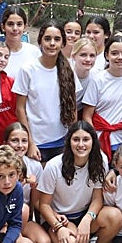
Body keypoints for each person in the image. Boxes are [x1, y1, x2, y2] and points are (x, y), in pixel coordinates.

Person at [35, 121, 110, 243]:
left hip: (84, 213)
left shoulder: (101, 160)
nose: (81, 144)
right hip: (60, 217)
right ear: (69, 141)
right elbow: (43, 204)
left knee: (114, 216)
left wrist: (87, 219)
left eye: (86, 139)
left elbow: (97, 198)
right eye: (76, 139)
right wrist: (59, 227)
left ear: (93, 141)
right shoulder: (54, 166)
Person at [13, 19, 78, 162]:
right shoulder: (28, 69)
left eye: (57, 39)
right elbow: (20, 109)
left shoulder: (68, 70)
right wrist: (29, 143)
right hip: (37, 143)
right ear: (40, 41)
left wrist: (73, 138)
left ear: (63, 43)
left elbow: (72, 108)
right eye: (47, 39)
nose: (52, 43)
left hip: (62, 140)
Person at [81, 34, 122, 156]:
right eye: (114, 53)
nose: (120, 57)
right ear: (107, 55)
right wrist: (94, 140)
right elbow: (87, 115)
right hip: (99, 139)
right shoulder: (98, 79)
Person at [0, 5, 39, 77]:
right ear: (3, 27)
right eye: (10, 24)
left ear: (25, 27)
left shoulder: (34, 52)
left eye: (19, 24)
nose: (15, 28)